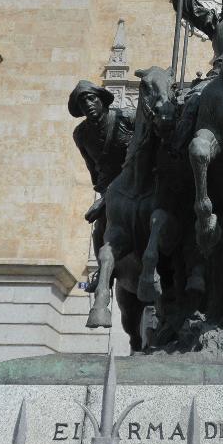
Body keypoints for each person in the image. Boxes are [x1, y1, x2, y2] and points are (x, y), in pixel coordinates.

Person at [69, 80, 134, 290]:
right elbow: (92, 169)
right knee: (100, 229)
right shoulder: (80, 134)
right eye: (82, 102)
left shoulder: (127, 117)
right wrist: (104, 196)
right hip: (111, 186)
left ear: (101, 100)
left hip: (139, 176)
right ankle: (103, 274)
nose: (87, 104)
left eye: (91, 98)